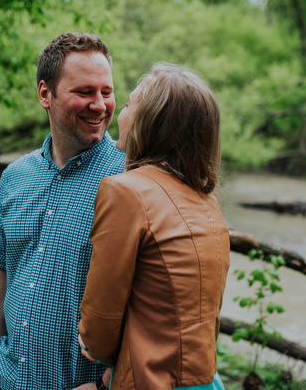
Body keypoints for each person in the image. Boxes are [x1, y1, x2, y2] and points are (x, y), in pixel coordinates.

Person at [0, 32, 126, 390]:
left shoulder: (131, 178)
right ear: (46, 94)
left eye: (106, 92)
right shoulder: (14, 176)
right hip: (10, 379)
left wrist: (108, 383)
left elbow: (160, 298)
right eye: (84, 92)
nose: (99, 104)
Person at [77, 63, 230, 390]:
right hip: (203, 379)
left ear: (151, 122)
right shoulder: (207, 202)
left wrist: (102, 354)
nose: (119, 112)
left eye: (129, 104)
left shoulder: (125, 191)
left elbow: (100, 321)